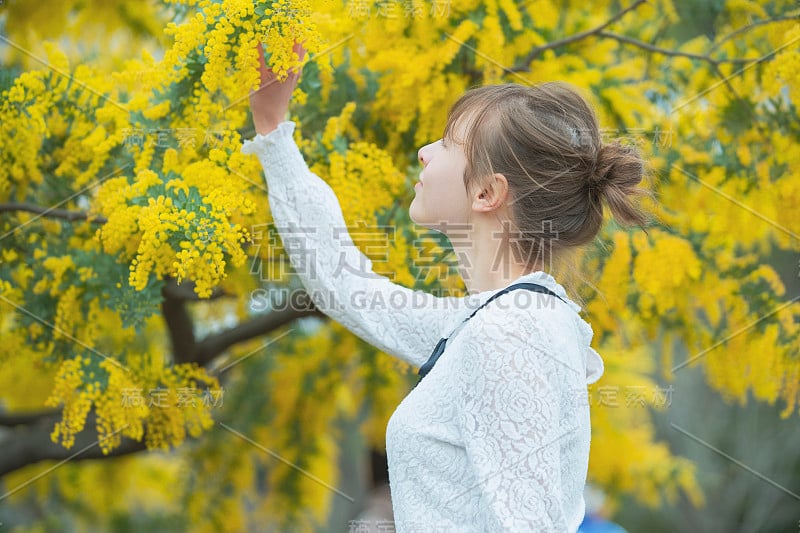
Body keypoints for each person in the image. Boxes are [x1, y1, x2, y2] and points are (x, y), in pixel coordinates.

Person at [242, 44, 649, 532]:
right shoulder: (495, 321)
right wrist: (272, 128)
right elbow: (349, 287)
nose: (424, 152)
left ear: (486, 193)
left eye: (446, 143)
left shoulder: (512, 334)